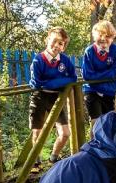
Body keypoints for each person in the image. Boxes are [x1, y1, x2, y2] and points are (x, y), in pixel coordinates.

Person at [29, 27, 77, 166]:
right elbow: (37, 83)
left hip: (56, 98)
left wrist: (51, 83)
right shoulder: (38, 60)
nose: (56, 45)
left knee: (65, 133)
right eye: (54, 41)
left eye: (60, 43)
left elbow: (73, 78)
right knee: (37, 132)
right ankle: (35, 161)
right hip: (39, 97)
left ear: (63, 47)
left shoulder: (65, 61)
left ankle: (53, 158)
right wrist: (61, 81)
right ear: (47, 40)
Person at [82, 20, 116, 132]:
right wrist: (110, 74)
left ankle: (107, 148)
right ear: (95, 36)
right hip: (92, 91)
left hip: (109, 92)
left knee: (109, 123)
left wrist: (98, 77)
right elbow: (87, 76)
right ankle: (92, 148)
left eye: (108, 36)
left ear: (113, 37)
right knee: (96, 123)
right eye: (100, 35)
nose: (103, 39)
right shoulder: (89, 52)